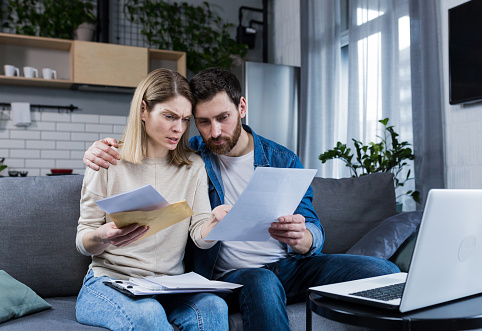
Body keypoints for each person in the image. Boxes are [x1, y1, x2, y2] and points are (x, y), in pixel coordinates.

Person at [83, 67, 400, 331]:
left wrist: (302, 238)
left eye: (223, 117)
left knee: (382, 270)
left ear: (242, 107)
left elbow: (312, 229)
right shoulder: (196, 155)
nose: (215, 131)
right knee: (261, 281)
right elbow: (153, 150)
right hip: (235, 276)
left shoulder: (281, 158)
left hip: (288, 266)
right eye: (203, 122)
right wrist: (99, 148)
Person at [76, 68, 229, 331]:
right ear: (144, 110)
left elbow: (199, 235)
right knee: (148, 313)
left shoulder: (193, 166)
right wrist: (102, 236)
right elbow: (83, 241)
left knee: (215, 307)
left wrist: (215, 224)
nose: (178, 128)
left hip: (169, 286)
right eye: (169, 116)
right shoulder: (107, 160)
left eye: (184, 119)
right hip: (110, 282)